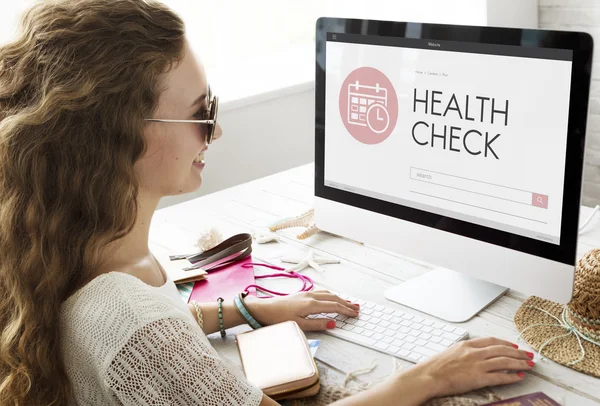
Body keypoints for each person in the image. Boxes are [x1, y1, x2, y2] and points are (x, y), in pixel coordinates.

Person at [0, 1, 535, 405]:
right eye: (201, 111)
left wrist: (247, 310)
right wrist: (426, 378)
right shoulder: (125, 315)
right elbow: (133, 330)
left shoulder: (68, 244)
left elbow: (141, 329)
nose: (216, 130)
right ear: (120, 137)